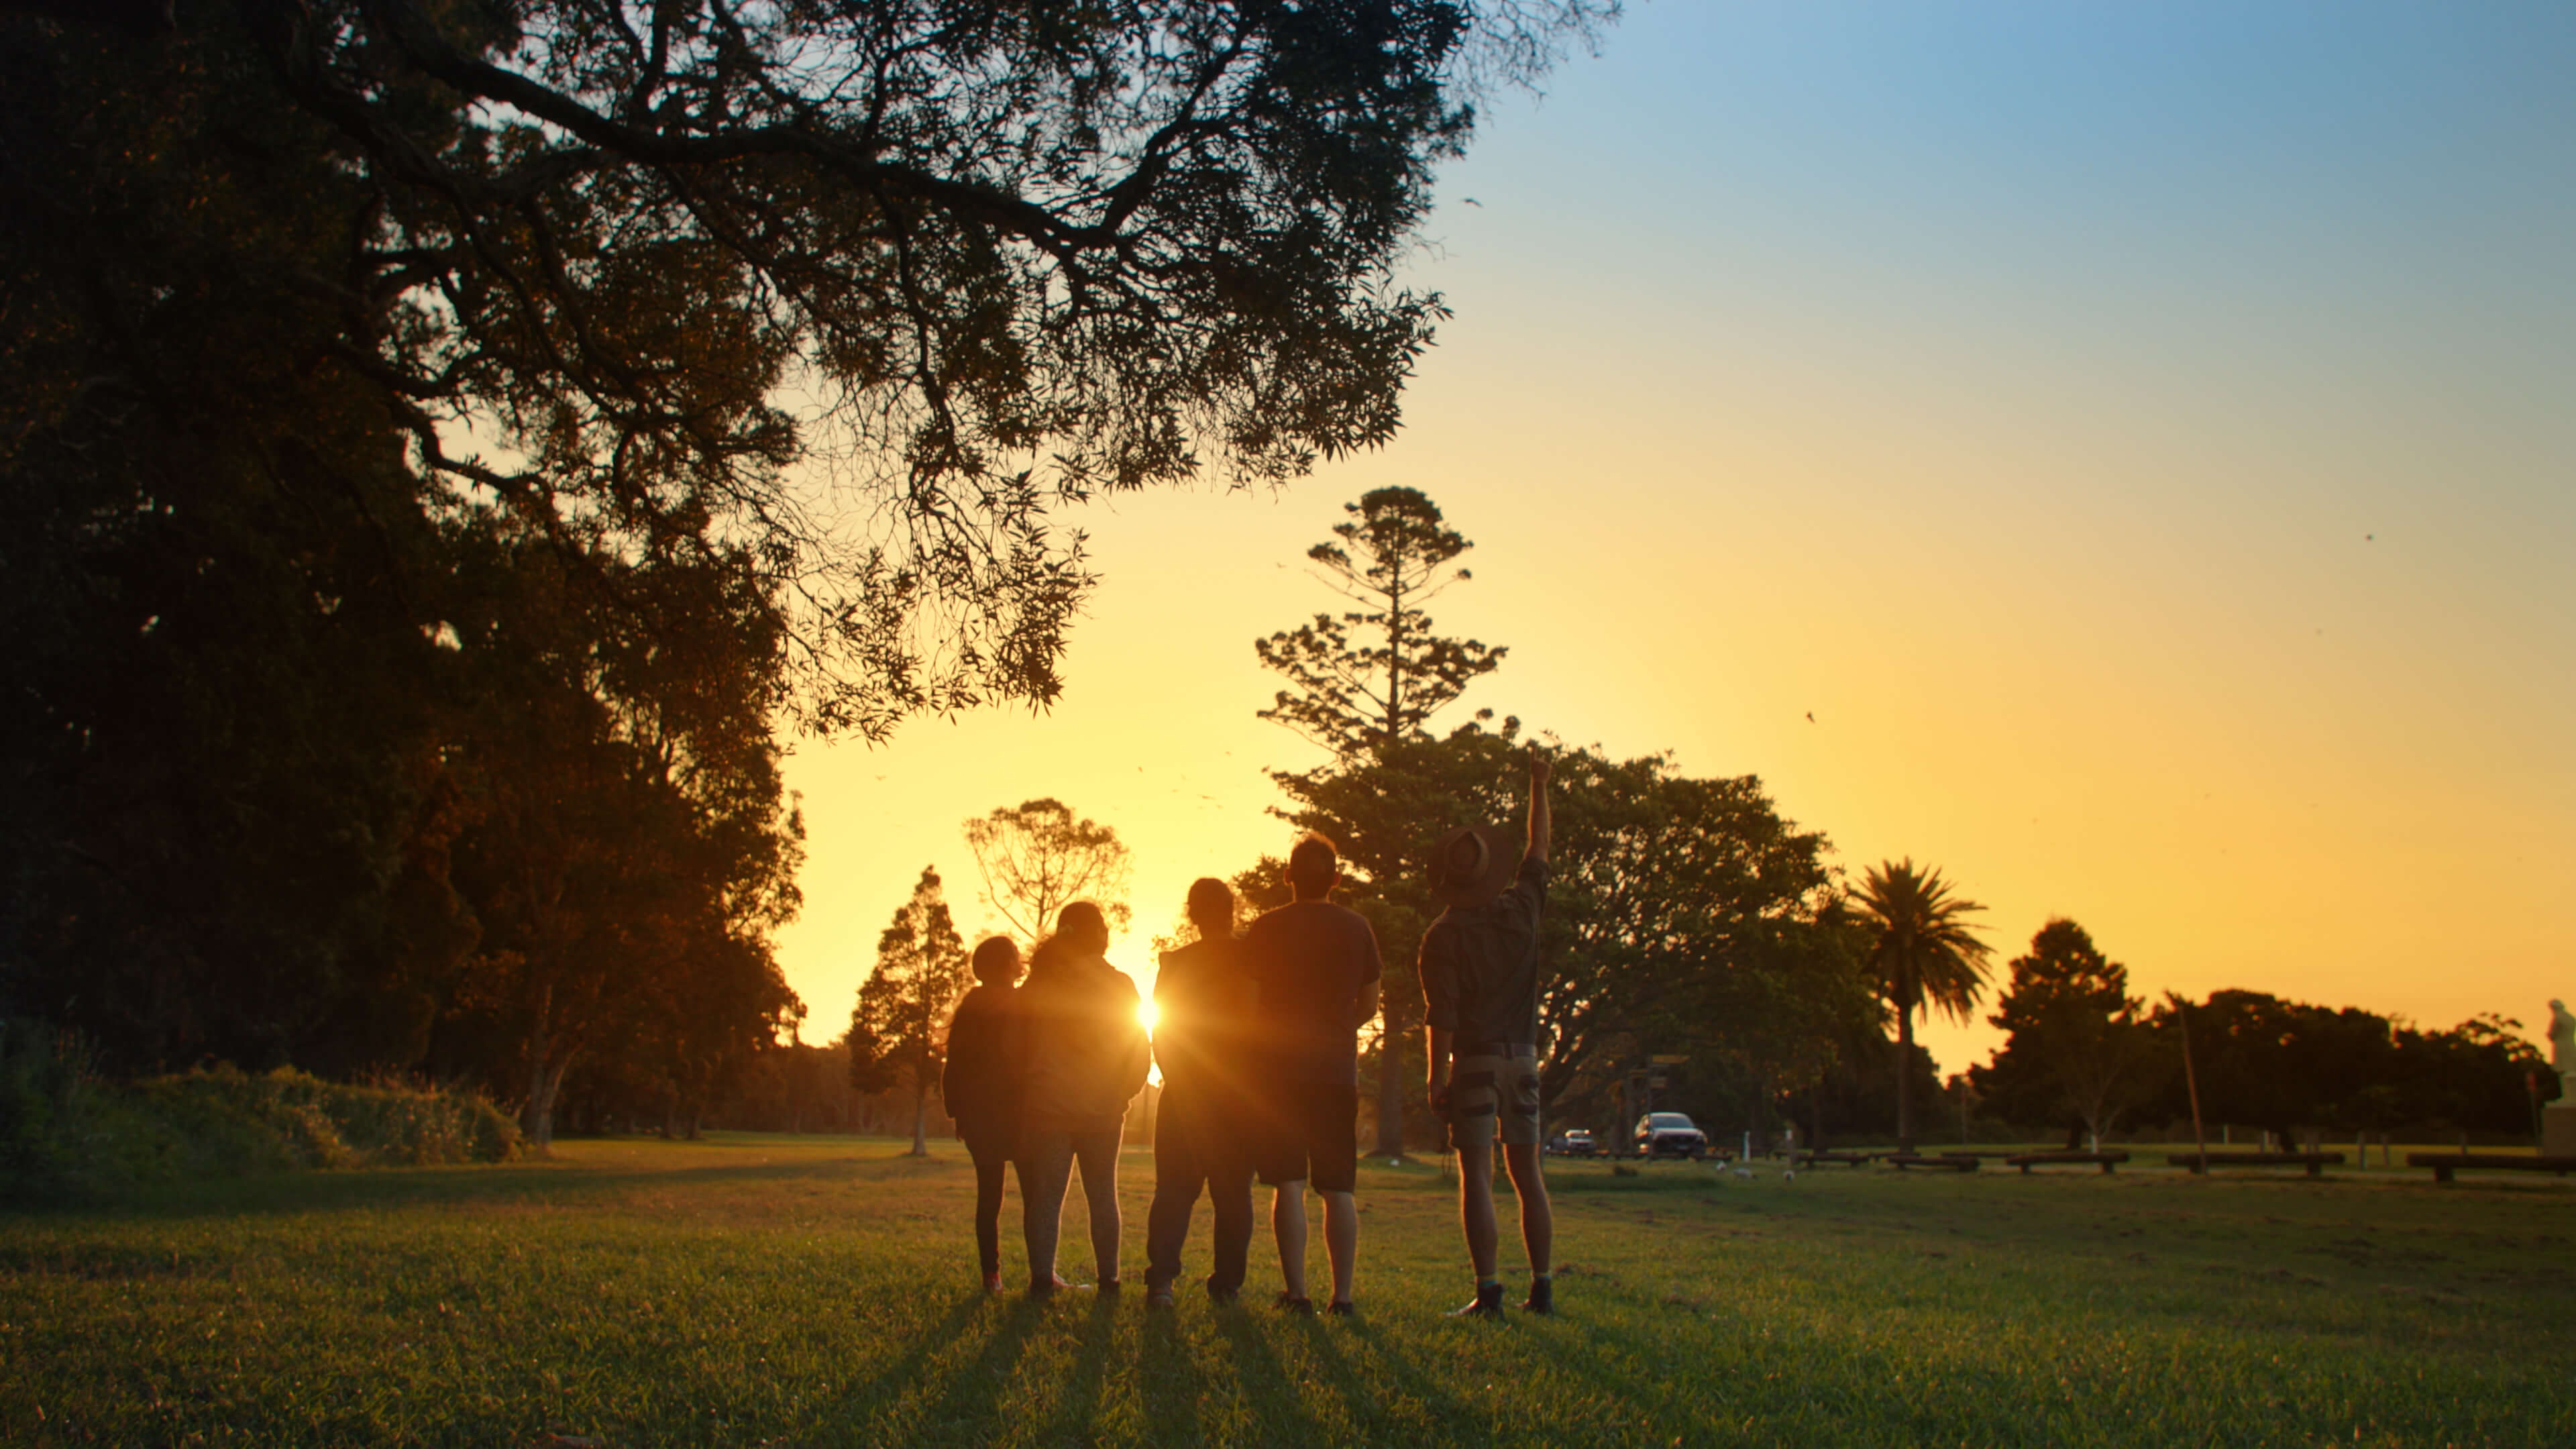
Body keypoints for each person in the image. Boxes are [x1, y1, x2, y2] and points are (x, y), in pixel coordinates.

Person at [1420, 744, 1556, 1316]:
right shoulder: (1523, 908)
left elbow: (1443, 1017)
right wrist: (1539, 783)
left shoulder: (1441, 937)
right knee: (1528, 1174)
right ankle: (1543, 1287)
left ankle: (1489, 1290)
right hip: (1523, 1060)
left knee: (1477, 1176)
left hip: (1473, 1062)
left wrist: (1435, 1079)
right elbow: (1538, 847)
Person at [1244, 833, 1382, 1314]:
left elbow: (1251, 1004)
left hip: (1279, 1071)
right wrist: (1340, 1030)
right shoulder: (1357, 927)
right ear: (1337, 879)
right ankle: (1342, 1297)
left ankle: (1297, 1292)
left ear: (1287, 878)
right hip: (1335, 1070)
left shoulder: (1265, 928)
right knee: (1338, 1185)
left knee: (1288, 1182)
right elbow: (1369, 1002)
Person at [1016, 901, 1149, 1297]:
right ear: (1099, 935)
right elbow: (1139, 1051)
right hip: (1103, 1109)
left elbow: (1018, 1047)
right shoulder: (1120, 985)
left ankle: (1042, 1279)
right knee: (1103, 1194)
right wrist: (1121, 1093)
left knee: (1047, 1196)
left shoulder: (1039, 985)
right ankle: (1110, 1280)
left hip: (1049, 1107)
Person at [1142, 878, 1259, 1307]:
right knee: (1233, 1194)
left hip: (1185, 1090)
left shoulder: (1175, 964)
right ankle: (1227, 1285)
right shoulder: (1251, 960)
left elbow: (1161, 1030)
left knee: (1174, 1189)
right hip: (1237, 1092)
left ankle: (1162, 1283)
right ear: (1233, 910)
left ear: (1191, 913)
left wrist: (1178, 1076)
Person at [941, 936, 1028, 1292]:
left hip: (980, 1119)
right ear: (1009, 965)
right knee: (1037, 1198)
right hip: (1020, 1115)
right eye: (1017, 959)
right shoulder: (1023, 1004)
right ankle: (1042, 1272)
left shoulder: (969, 1008)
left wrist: (958, 1114)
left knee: (989, 1199)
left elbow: (954, 1067)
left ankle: (991, 1275)